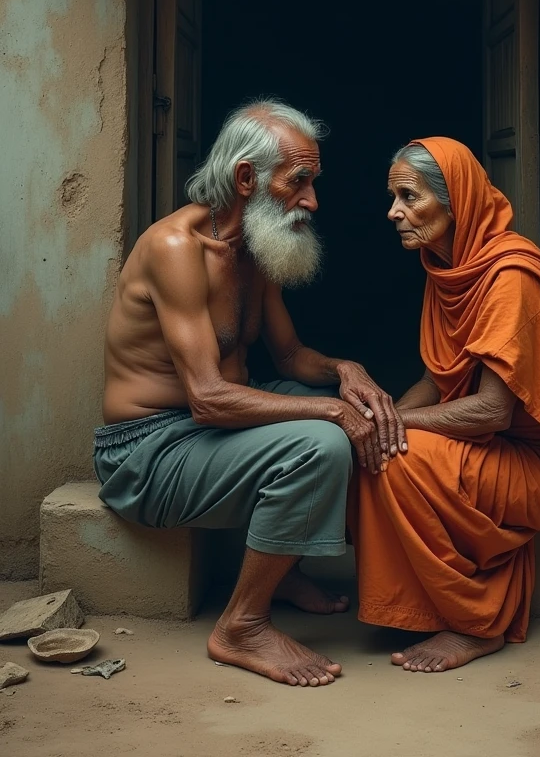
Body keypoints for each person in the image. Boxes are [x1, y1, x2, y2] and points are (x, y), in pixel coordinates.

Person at [94, 99, 406, 687]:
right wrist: (331, 412)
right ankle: (241, 624)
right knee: (322, 444)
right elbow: (209, 397)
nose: (312, 201)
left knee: (354, 410)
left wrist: (347, 371)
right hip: (147, 451)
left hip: (212, 428)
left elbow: (289, 358)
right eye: (300, 182)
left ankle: (279, 569)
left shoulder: (252, 250)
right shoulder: (175, 250)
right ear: (246, 179)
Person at [351, 137, 540, 672]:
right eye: (393, 196)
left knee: (399, 455)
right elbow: (436, 376)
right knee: (378, 448)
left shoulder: (510, 278)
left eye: (408, 196)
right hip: (498, 448)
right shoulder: (448, 265)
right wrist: (383, 419)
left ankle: (475, 622)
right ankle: (416, 604)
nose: (392, 212)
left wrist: (393, 424)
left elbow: (492, 411)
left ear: (456, 201)